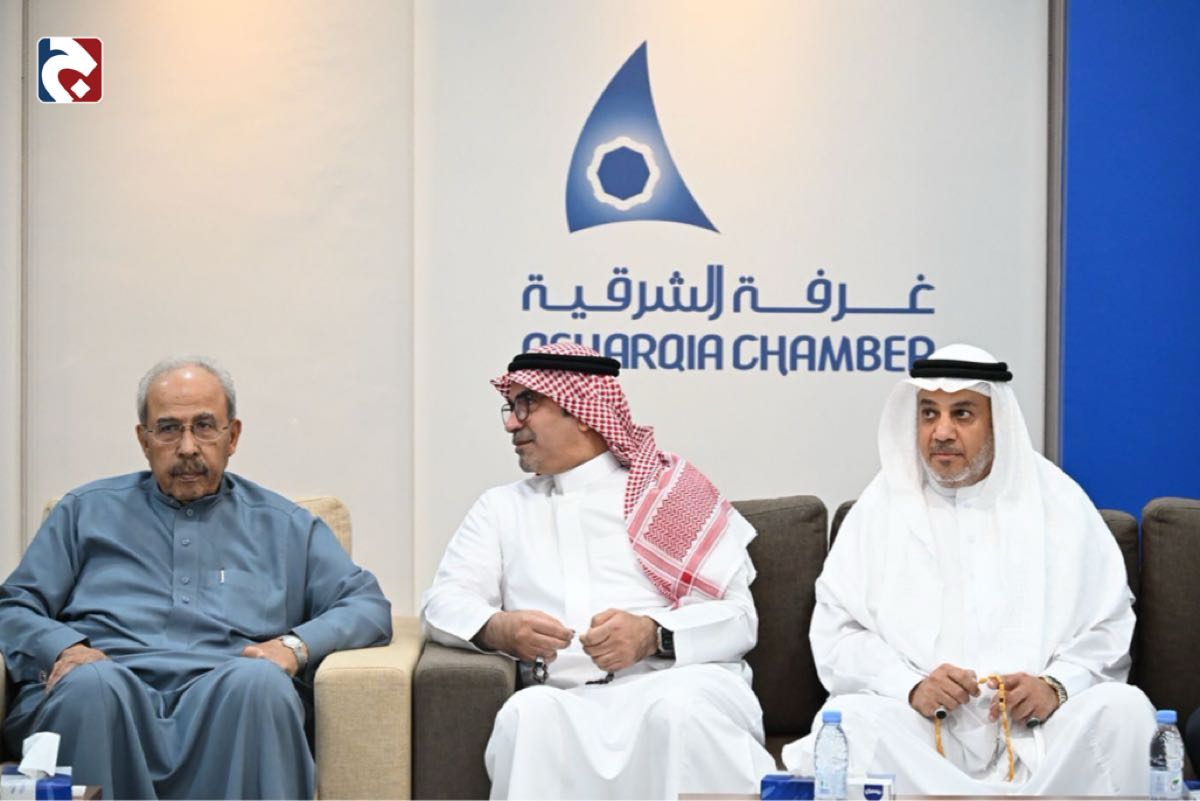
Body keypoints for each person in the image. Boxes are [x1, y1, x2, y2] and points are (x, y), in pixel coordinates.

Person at [0, 357, 392, 800]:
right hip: (108, 688)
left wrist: (293, 647)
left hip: (228, 702)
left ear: (233, 436)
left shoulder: (286, 526)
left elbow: (366, 605)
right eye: (168, 429)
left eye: (204, 426)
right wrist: (65, 648)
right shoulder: (84, 512)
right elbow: (13, 605)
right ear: (143, 440)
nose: (187, 447)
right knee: (90, 686)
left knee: (260, 684)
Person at [782, 343, 1155, 795]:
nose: (941, 432)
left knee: (1125, 711)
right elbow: (839, 632)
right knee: (850, 723)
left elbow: (1108, 625)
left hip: (1037, 732)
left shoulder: (1060, 504)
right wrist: (910, 685)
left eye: (962, 414)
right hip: (921, 730)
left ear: (998, 423)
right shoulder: (879, 509)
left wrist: (1055, 686)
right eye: (928, 414)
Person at [421, 342, 776, 799]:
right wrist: (497, 628)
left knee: (678, 713)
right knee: (527, 716)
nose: (511, 422)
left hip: (678, 682)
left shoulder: (669, 492)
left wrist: (653, 634)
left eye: (527, 403)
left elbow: (739, 619)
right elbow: (442, 603)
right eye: (510, 407)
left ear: (582, 412)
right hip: (566, 698)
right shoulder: (501, 509)